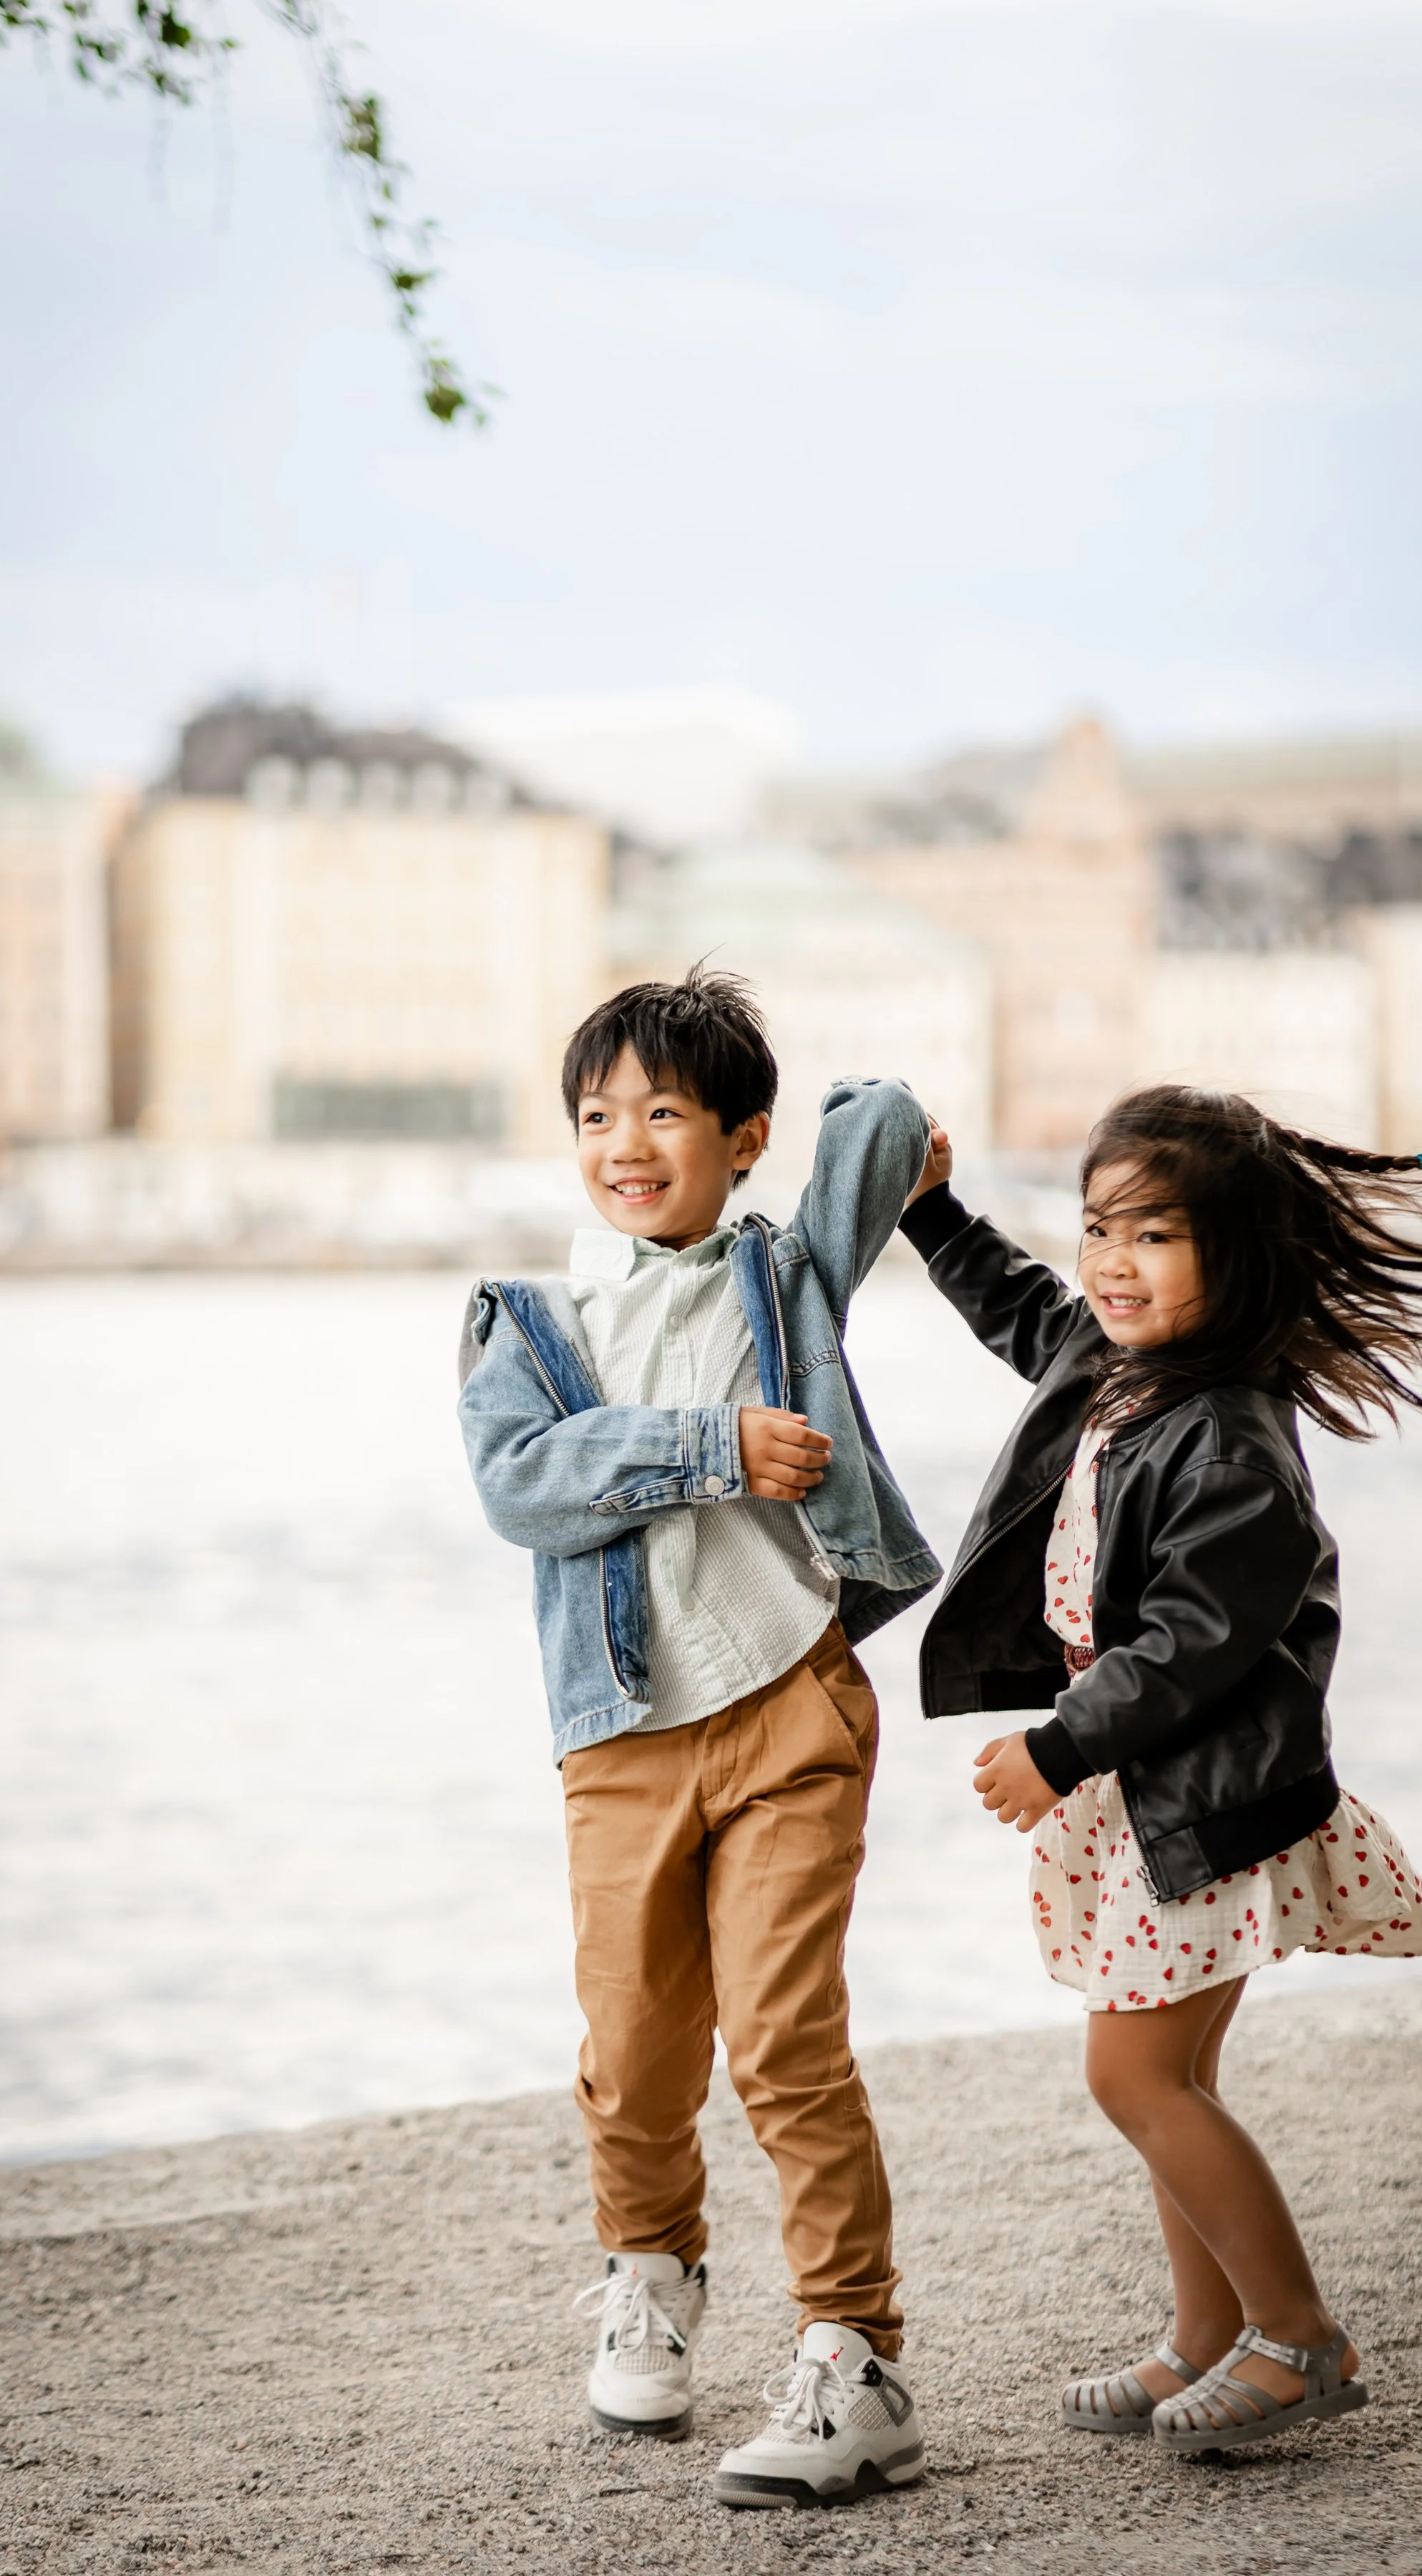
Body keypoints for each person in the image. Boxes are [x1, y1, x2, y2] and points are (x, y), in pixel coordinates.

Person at [899, 1084, 1422, 2458]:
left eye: (1153, 1234)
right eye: (1100, 1226)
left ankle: (1298, 2333)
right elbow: (1026, 1308)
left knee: (1136, 2079)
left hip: (1208, 1804)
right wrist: (930, 1214)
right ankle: (1206, 2340)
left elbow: (1195, 1642)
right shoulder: (1116, 1369)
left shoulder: (1232, 1438)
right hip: (1163, 1801)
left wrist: (1056, 1744)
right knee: (1179, 2084)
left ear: (1238, 1253)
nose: (1110, 1261)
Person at [458, 968, 942, 2508]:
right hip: (618, 1735)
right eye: (596, 1114)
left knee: (787, 2038)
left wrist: (896, 1154)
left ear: (740, 1139)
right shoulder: (526, 1321)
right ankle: (653, 2276)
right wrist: (708, 1449)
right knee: (637, 2052)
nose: (624, 1141)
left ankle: (851, 2354)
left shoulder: (782, 1274)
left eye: (664, 1110)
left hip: (791, 1701)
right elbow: (522, 1486)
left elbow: (883, 1116)